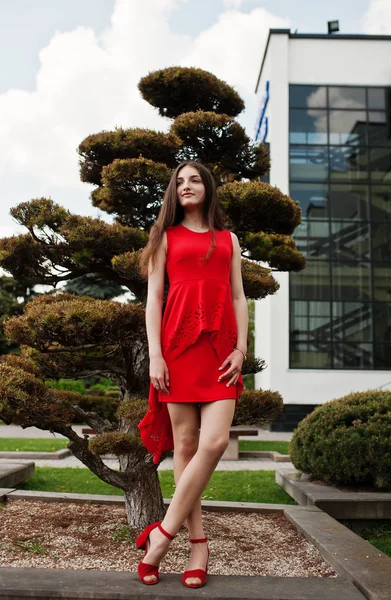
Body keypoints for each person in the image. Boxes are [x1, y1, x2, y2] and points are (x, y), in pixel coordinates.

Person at [137, 160, 248, 588]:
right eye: (179, 181)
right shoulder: (165, 238)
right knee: (184, 447)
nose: (187, 185)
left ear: (207, 187)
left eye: (194, 179)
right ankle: (198, 544)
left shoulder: (229, 240)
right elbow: (153, 302)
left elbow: (239, 297)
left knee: (214, 441)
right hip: (177, 352)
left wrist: (241, 348)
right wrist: (156, 357)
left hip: (221, 353)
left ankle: (161, 536)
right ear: (173, 192)